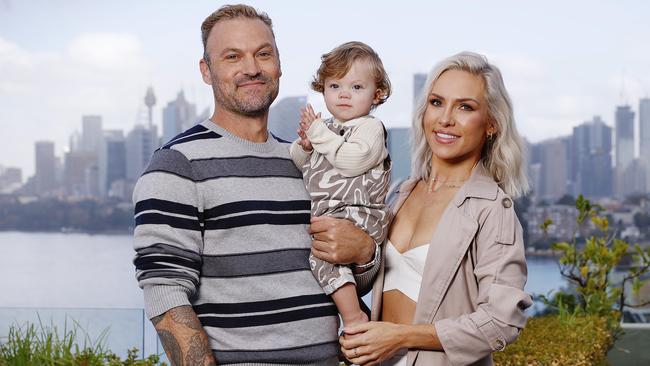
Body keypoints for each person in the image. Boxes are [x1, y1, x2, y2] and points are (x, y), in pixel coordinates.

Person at [131, 4, 378, 365]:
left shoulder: (306, 161)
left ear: (279, 63)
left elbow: (350, 276)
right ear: (206, 70)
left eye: (263, 54)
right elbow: (165, 292)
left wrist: (365, 253)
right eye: (232, 56)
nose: (251, 68)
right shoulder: (177, 164)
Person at [339, 52, 533, 366]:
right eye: (436, 102)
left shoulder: (493, 209)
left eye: (465, 107)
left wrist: (402, 336)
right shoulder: (401, 192)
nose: (445, 119)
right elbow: (369, 283)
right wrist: (361, 254)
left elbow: (502, 321)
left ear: (491, 124)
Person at [289, 41, 392, 329]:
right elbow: (299, 162)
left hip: (359, 214)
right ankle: (348, 314)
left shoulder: (370, 128)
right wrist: (307, 146)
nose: (344, 94)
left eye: (357, 87)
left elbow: (353, 160)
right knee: (322, 263)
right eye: (335, 86)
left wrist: (318, 133)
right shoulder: (327, 129)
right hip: (334, 214)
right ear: (323, 89)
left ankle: (354, 317)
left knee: (324, 262)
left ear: (377, 94)